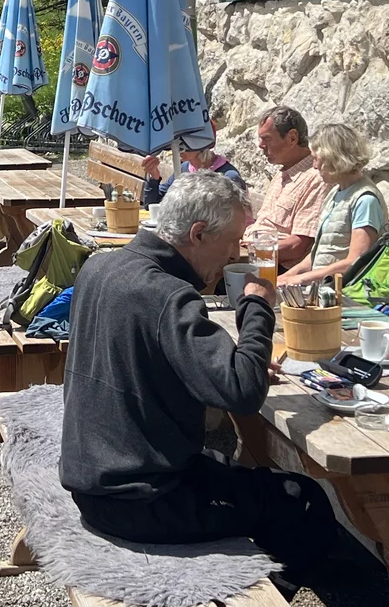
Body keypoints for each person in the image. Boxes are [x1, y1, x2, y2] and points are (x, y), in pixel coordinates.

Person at [61, 170, 334, 561]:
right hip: (142, 500)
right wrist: (256, 306)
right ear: (199, 233)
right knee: (300, 497)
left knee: (230, 470)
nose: (235, 255)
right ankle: (273, 602)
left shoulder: (99, 268)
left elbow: (152, 360)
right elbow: (242, 394)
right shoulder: (168, 294)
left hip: (91, 474)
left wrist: (236, 364)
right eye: (232, 241)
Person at [273, 123, 383, 290]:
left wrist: (302, 279)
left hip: (341, 293)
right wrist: (288, 276)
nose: (315, 166)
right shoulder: (335, 192)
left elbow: (356, 260)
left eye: (317, 159)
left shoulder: (365, 200)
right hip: (320, 287)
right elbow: (319, 252)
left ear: (334, 158)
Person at [248, 106, 328, 269]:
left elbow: (297, 247)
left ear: (292, 138)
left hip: (277, 270)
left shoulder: (316, 179)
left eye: (267, 139)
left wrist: (247, 253)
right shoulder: (281, 174)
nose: (260, 145)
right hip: (256, 259)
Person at [139, 138, 244, 205]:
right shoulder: (184, 169)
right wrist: (154, 176)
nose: (178, 146)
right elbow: (151, 205)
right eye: (175, 140)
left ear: (202, 143)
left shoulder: (227, 176)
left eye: (185, 141)